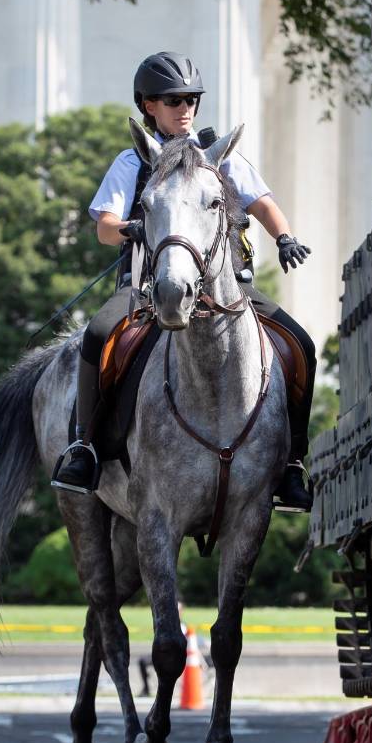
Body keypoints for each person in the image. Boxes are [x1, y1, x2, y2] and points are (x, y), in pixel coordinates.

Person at [52, 51, 316, 511]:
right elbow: (104, 227)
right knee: (97, 335)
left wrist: (285, 237)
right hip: (147, 285)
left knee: (301, 344)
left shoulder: (218, 155)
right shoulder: (132, 161)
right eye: (174, 100)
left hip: (228, 287)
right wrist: (130, 228)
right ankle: (85, 447)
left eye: (191, 99)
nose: (185, 108)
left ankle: (292, 461)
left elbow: (263, 203)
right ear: (148, 105)